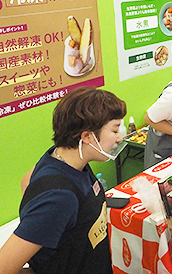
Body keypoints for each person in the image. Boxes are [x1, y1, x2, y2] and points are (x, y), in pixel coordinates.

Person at [0, 87, 126, 274]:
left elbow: (26, 181)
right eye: (115, 130)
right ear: (87, 136)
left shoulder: (62, 156)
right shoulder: (59, 197)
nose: (120, 138)